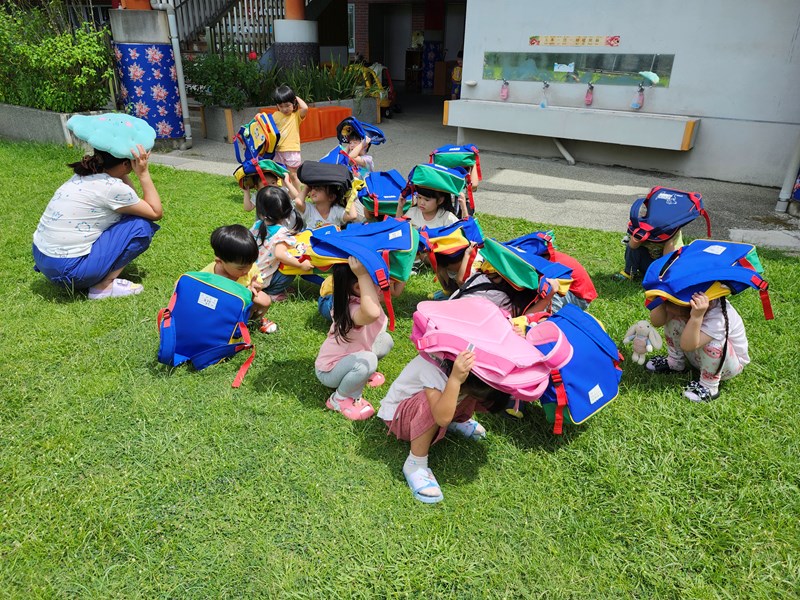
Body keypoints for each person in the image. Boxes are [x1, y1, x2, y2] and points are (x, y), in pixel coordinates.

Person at [32, 145, 162, 299]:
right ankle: (104, 286)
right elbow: (155, 212)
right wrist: (143, 173)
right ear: (126, 164)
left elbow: (131, 202)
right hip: (70, 272)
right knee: (141, 225)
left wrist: (124, 170)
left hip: (43, 259)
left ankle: (93, 271)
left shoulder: (83, 175)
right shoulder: (112, 188)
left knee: (130, 215)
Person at [378, 350, 495, 504]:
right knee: (435, 403)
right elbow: (441, 417)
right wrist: (455, 380)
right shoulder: (433, 365)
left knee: (468, 390)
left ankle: (453, 420)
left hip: (438, 408)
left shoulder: (467, 366)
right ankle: (415, 463)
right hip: (400, 418)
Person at [315, 257, 394, 420]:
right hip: (329, 371)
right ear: (358, 287)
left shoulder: (362, 298)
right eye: (377, 281)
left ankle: (359, 375)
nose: (383, 284)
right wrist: (363, 275)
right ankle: (339, 399)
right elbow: (372, 313)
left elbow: (393, 290)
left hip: (353, 355)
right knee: (369, 359)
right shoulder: (352, 308)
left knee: (385, 341)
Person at [645, 292, 749, 402]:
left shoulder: (718, 317)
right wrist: (661, 300)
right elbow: (656, 322)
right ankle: (675, 362)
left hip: (727, 367)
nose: (670, 309)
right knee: (674, 320)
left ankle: (709, 386)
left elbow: (687, 345)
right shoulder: (683, 305)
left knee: (713, 344)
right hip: (697, 354)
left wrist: (696, 317)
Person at [251, 187, 313, 327]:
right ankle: (272, 292)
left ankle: (269, 288)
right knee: (290, 268)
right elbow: (280, 254)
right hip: (263, 279)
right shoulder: (281, 232)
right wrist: (300, 265)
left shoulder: (257, 225)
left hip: (251, 275)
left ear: (260, 211)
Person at [201, 225, 271, 325]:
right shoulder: (208, 274)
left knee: (265, 300)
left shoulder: (250, 268)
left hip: (243, 300)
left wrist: (255, 288)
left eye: (251, 264)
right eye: (241, 268)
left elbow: (258, 284)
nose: (247, 270)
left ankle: (250, 321)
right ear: (220, 262)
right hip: (219, 305)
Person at [272, 85, 308, 194]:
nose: (284, 109)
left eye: (287, 105)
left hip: (292, 150)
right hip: (278, 151)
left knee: (293, 175)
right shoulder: (275, 115)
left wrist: (295, 97)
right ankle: (286, 194)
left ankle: (299, 195)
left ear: (293, 103)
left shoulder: (296, 115)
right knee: (282, 175)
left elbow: (305, 108)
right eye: (281, 106)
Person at [617, 229, 683, 281]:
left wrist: (669, 239)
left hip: (664, 266)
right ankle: (629, 272)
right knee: (634, 248)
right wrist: (638, 235)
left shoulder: (673, 229)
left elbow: (668, 257)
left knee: (672, 262)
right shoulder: (640, 224)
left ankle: (664, 277)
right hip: (647, 263)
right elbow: (633, 246)